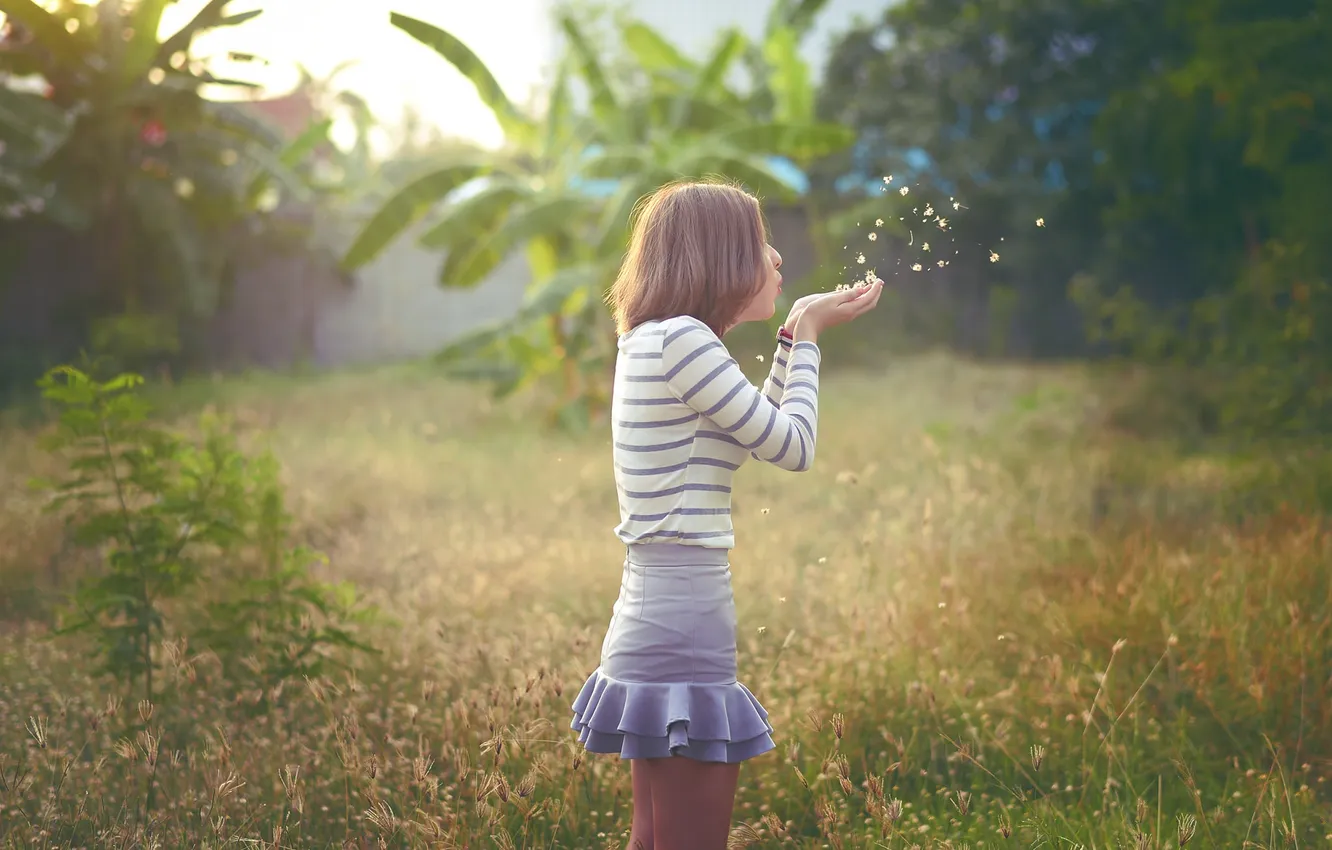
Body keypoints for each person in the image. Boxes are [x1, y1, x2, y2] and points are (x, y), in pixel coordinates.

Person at [570, 179, 884, 850]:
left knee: (655, 840)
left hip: (655, 610)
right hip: (683, 618)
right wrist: (811, 337)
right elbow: (793, 446)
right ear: (720, 257)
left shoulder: (654, 339)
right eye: (759, 242)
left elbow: (753, 433)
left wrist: (792, 333)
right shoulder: (685, 341)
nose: (775, 257)